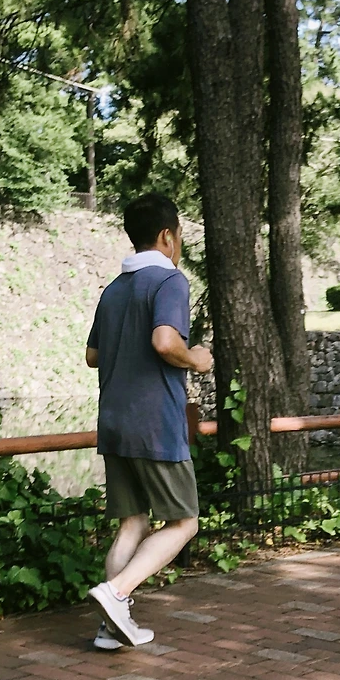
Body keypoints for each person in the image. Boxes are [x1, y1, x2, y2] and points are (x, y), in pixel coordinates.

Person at [85, 193, 213, 648]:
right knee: (184, 522)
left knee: (133, 523)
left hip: (114, 420)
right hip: (155, 422)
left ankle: (110, 628)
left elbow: (92, 355)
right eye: (178, 235)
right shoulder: (169, 280)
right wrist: (196, 359)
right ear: (166, 236)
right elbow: (164, 341)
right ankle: (116, 592)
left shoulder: (114, 289)